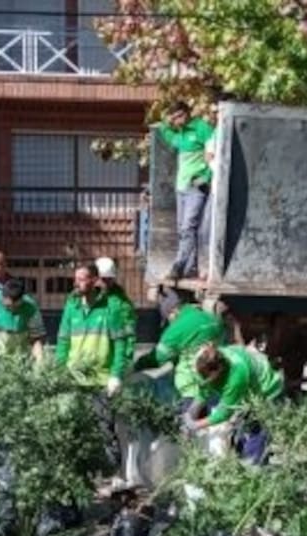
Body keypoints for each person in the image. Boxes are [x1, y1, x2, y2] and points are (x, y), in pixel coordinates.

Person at [189, 342, 284, 462]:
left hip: (267, 393)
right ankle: (243, 465)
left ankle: (253, 470)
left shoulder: (237, 375)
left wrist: (195, 425)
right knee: (241, 438)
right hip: (248, 394)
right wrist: (191, 411)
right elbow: (204, 389)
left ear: (216, 373)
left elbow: (224, 413)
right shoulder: (213, 358)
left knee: (255, 440)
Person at [154, 101, 215, 280]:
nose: (177, 121)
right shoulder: (178, 134)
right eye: (174, 118)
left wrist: (206, 177)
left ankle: (179, 265)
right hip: (181, 188)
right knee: (184, 229)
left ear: (188, 112)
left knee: (188, 226)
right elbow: (164, 131)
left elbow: (215, 151)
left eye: (180, 116)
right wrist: (167, 120)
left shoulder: (201, 128)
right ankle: (191, 267)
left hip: (196, 186)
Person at [134, 287, 226, 403]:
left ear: (174, 311)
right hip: (217, 387)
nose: (169, 321)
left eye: (168, 317)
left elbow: (157, 358)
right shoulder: (211, 319)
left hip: (191, 388)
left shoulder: (176, 329)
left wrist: (136, 365)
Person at [55, 262, 131, 396]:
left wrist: (116, 375)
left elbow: (120, 344)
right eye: (75, 279)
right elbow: (63, 341)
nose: (76, 283)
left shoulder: (111, 307)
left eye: (81, 280)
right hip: (74, 379)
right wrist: (59, 371)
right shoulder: (72, 306)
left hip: (102, 381)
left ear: (95, 281)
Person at [0, 277, 45, 360]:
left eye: (15, 306)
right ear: (2, 295)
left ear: (22, 299)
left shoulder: (31, 307)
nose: (11, 310)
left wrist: (40, 361)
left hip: (20, 359)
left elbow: (36, 338)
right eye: (7, 306)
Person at [95, 257, 136, 368]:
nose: (106, 282)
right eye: (103, 279)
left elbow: (129, 330)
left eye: (109, 279)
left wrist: (127, 355)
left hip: (113, 359)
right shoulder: (84, 300)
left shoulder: (121, 302)